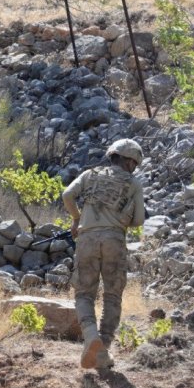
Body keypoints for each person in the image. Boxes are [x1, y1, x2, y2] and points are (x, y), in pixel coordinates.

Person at [62, 138, 146, 369]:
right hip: (114, 240)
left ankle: (91, 337)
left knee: (84, 294)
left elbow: (67, 195)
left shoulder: (89, 175)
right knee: (112, 296)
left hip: (87, 239)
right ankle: (103, 349)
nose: (134, 168)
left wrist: (77, 219)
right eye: (135, 164)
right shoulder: (133, 183)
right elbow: (139, 220)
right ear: (129, 161)